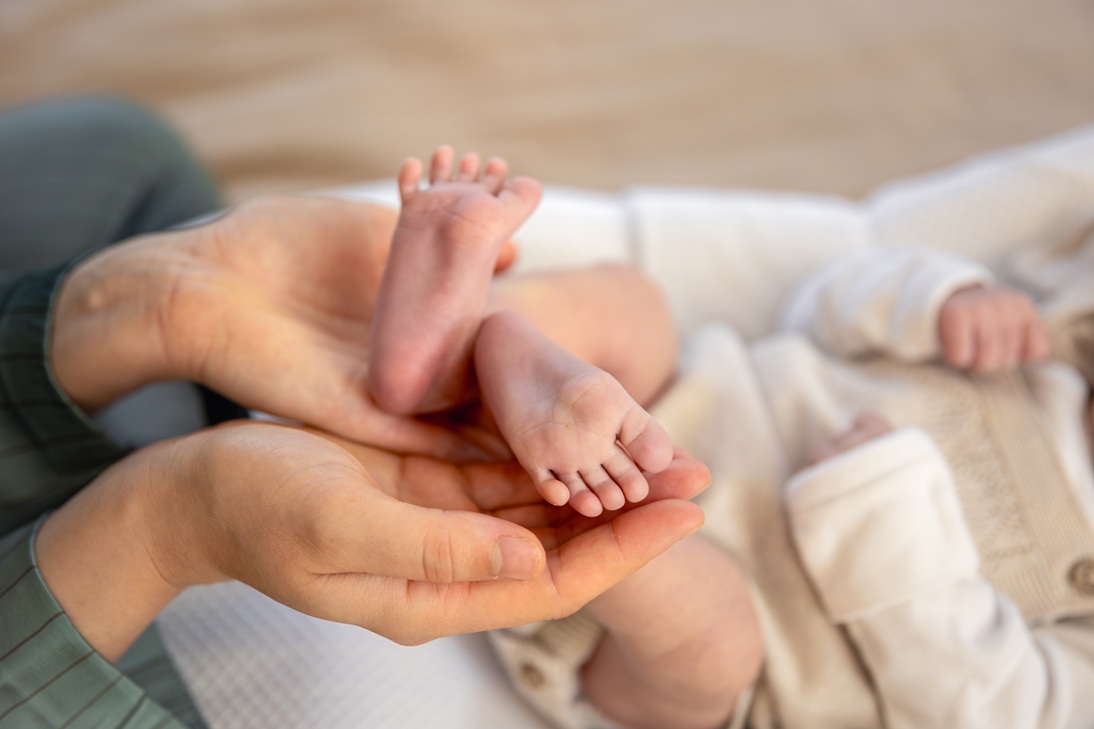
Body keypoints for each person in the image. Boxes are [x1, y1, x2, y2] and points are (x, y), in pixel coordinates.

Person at [0, 97, 710, 728]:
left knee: (712, 649)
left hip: (667, 501)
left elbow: (669, 702)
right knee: (632, 305)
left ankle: (466, 353)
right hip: (683, 413)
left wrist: (157, 308)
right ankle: (485, 348)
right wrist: (168, 519)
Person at [491, 228, 1094, 729]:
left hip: (738, 631)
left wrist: (885, 512)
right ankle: (470, 337)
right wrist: (935, 299)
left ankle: (561, 513)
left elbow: (995, 712)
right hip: (666, 408)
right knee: (633, 304)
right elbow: (817, 311)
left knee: (711, 644)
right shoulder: (1037, 338)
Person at [368, 146, 676, 517]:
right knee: (634, 305)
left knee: (632, 298)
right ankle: (482, 345)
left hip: (528, 372)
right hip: (552, 432)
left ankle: (470, 344)